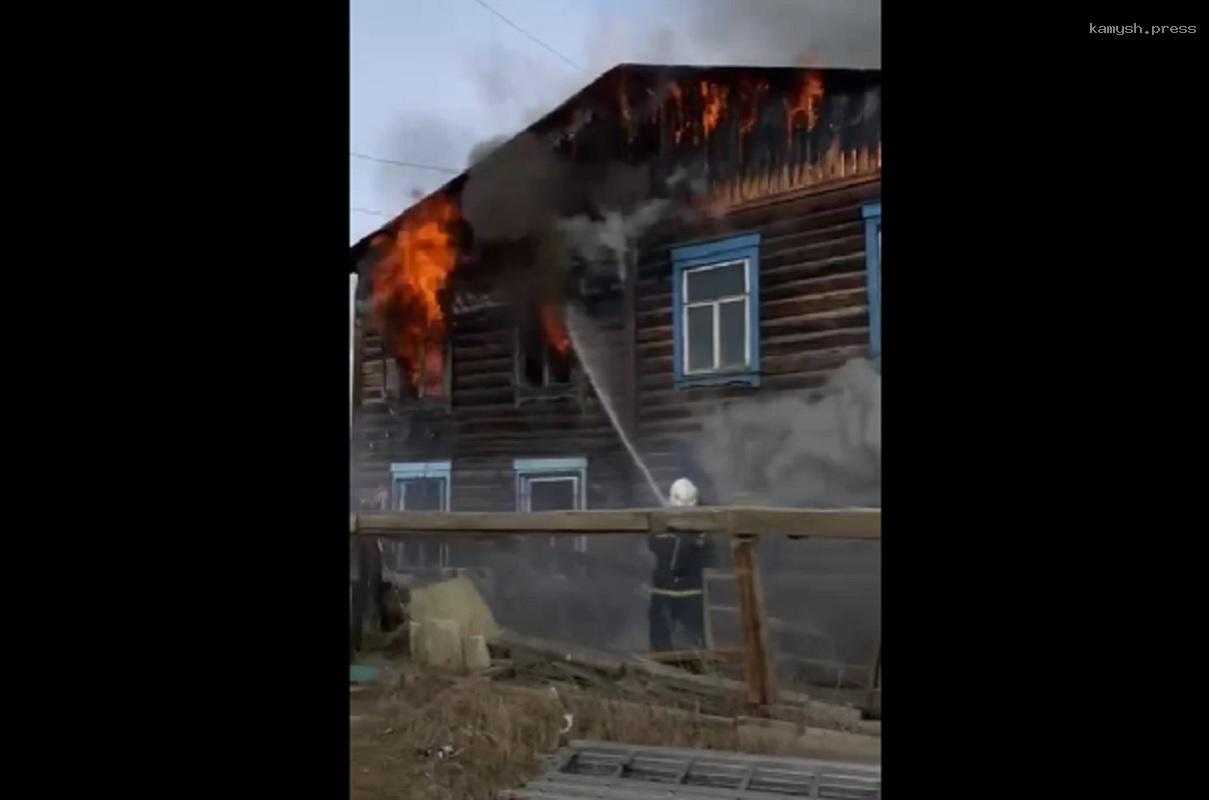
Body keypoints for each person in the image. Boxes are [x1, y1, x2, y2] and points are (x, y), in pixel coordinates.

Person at [648, 478, 708, 652]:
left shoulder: (703, 527)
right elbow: (653, 546)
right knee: (660, 641)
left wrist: (689, 538)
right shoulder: (660, 526)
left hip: (692, 594)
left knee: (695, 641)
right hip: (663, 593)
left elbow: (705, 554)